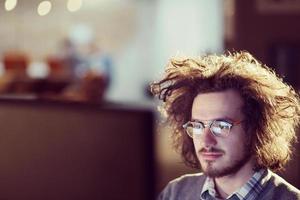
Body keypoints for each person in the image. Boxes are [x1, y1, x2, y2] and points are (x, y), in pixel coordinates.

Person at [151, 51, 300, 200]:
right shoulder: (176, 193)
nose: (206, 140)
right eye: (197, 126)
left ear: (255, 128)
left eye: (221, 126)